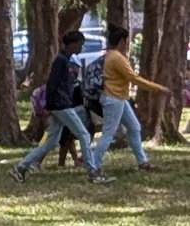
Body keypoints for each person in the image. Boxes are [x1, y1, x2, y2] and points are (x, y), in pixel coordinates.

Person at [16, 31, 96, 181]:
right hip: (61, 106)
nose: (81, 47)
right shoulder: (61, 61)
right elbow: (52, 84)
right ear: (73, 44)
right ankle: (93, 172)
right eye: (80, 44)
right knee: (84, 135)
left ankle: (21, 167)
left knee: (51, 143)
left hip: (60, 105)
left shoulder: (66, 60)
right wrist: (48, 105)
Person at [93, 24, 165, 175]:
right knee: (108, 133)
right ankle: (94, 167)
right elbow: (133, 78)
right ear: (122, 41)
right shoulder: (116, 57)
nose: (127, 44)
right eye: (126, 40)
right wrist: (157, 88)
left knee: (134, 128)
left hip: (119, 98)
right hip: (113, 98)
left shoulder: (112, 55)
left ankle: (143, 163)